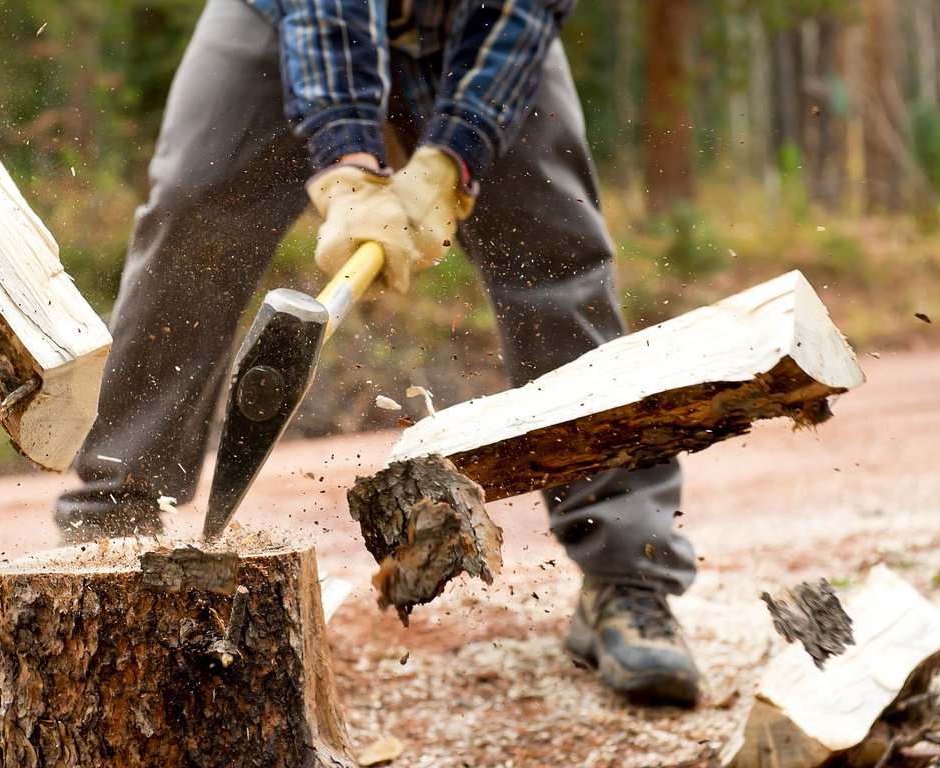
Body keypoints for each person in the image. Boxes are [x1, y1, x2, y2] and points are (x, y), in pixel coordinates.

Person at [55, 0, 700, 706]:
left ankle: (628, 576)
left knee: (555, 249)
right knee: (194, 211)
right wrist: (348, 168)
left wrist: (457, 154)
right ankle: (108, 529)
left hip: (478, 28)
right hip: (284, 15)